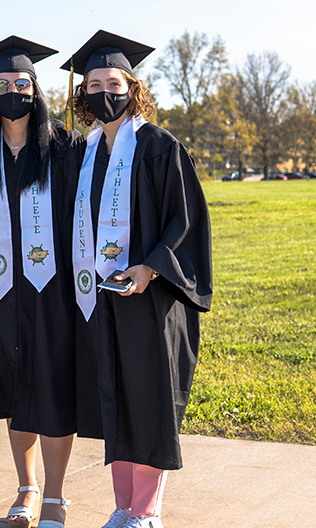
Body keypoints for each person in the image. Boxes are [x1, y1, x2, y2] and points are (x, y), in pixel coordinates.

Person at [62, 31, 213, 528]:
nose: (103, 92)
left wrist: (150, 267)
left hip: (150, 300)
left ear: (133, 87)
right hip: (101, 299)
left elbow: (184, 220)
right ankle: (123, 505)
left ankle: (147, 512)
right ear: (81, 95)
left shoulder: (157, 146)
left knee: (148, 399)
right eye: (93, 84)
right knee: (116, 396)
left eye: (113, 82)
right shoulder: (84, 155)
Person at [0, 36, 84, 528]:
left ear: (36, 88)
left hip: (51, 288)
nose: (13, 90)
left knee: (52, 384)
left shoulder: (65, 145)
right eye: (3, 83)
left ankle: (54, 495)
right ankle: (26, 486)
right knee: (14, 387)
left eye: (22, 82)